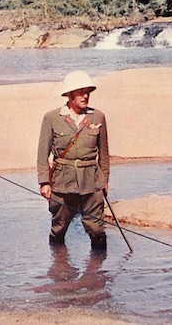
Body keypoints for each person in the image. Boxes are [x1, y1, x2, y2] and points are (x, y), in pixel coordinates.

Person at [37, 71, 110, 250]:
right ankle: (58, 267)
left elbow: (104, 153)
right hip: (62, 181)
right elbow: (42, 153)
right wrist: (44, 182)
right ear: (69, 94)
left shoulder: (97, 116)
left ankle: (98, 273)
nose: (85, 96)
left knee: (96, 228)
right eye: (80, 92)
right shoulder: (52, 118)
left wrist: (104, 181)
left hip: (91, 181)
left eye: (88, 92)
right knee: (59, 227)